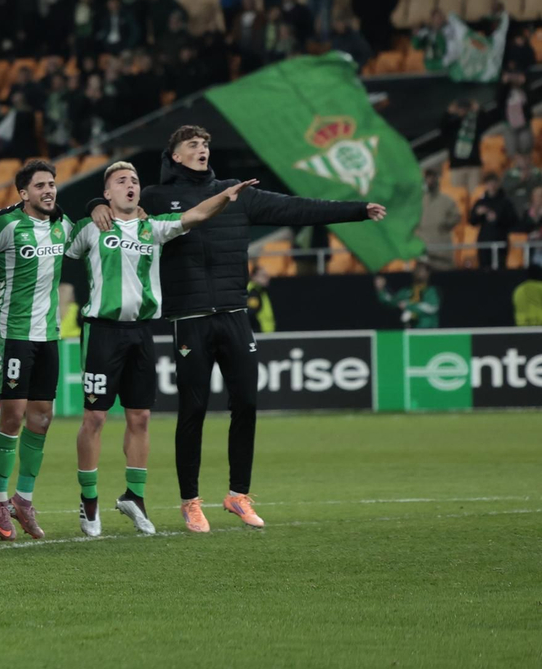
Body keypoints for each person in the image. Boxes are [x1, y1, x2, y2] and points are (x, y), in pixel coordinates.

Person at [90, 125, 385, 533]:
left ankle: (237, 495)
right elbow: (119, 204)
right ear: (175, 155)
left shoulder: (237, 192)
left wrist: (354, 210)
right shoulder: (157, 198)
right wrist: (94, 204)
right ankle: (190, 502)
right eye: (192, 145)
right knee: (193, 410)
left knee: (246, 402)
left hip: (233, 312)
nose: (202, 149)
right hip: (189, 318)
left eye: (205, 144)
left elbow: (297, 208)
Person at [66, 163, 257, 537]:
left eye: (135, 180)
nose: (130, 185)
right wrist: (91, 206)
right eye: (121, 181)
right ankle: (89, 502)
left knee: (140, 418)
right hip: (101, 331)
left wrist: (226, 195)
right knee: (95, 419)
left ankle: (133, 498)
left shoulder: (152, 227)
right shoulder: (91, 227)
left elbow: (196, 214)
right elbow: (63, 246)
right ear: (107, 193)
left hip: (141, 332)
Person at [0, 160, 71, 542]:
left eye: (52, 184)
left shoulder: (63, 226)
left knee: (43, 417)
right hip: (13, 331)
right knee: (13, 415)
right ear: (23, 193)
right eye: (40, 186)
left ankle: (24, 498)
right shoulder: (7, 225)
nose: (48, 191)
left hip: (48, 334)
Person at [470, 173, 518, 269]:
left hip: (500, 239)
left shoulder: (505, 202)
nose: (492, 186)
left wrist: (497, 219)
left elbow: (513, 221)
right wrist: (477, 213)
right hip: (484, 240)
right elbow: (472, 221)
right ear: (485, 185)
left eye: (494, 183)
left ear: (498, 184)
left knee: (500, 268)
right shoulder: (480, 202)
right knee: (484, 269)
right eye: (489, 183)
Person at [418, 169, 462, 271]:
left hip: (441, 249)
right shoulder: (419, 202)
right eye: (428, 178)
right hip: (424, 248)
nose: (430, 181)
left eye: (432, 177)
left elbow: (457, 216)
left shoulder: (446, 201)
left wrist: (446, 224)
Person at [375, 264, 440, 328]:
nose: (420, 272)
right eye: (417, 269)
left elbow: (432, 307)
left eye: (424, 269)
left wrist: (409, 306)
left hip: (428, 332)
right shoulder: (406, 291)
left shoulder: (432, 291)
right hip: (410, 332)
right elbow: (391, 302)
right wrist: (380, 290)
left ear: (428, 273)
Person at [246, 266, 275, 334]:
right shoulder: (253, 293)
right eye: (263, 275)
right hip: (260, 333)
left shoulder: (261, 291)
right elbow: (250, 313)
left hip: (266, 332)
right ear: (253, 277)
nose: (267, 278)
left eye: (267, 275)